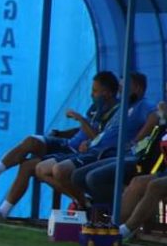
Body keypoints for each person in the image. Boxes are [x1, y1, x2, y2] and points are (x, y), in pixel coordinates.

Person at [0, 71, 119, 222]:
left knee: (27, 166)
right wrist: (61, 133)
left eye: (95, 91)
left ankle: (2, 212)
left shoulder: (115, 113)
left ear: (107, 93)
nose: (91, 94)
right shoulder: (95, 107)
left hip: (77, 153)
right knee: (31, 141)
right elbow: (82, 130)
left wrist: (80, 119)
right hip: (67, 144)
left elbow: (98, 139)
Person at [35, 72, 156, 210]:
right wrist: (90, 142)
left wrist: (136, 141)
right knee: (41, 168)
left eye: (124, 86)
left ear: (137, 88)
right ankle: (83, 202)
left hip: (106, 154)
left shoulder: (143, 105)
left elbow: (155, 117)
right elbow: (105, 133)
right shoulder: (123, 107)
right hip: (92, 149)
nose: (120, 89)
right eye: (120, 86)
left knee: (60, 170)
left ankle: (86, 205)